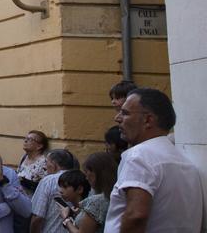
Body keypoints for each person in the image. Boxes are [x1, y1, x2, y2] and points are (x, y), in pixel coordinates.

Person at [105, 88, 204, 231]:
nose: (117, 118)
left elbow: (136, 215)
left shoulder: (139, 155)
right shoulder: (183, 161)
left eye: (125, 113)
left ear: (148, 120)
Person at [59, 152, 117, 233]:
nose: (86, 178)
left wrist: (66, 219)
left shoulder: (97, 201)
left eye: (87, 173)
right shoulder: (116, 195)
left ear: (97, 174)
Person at [30, 148, 78, 233]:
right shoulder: (80, 179)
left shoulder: (48, 181)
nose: (44, 167)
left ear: (54, 164)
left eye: (46, 162)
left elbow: (38, 217)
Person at [18, 131, 50, 197]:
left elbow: (44, 187)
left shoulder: (43, 163)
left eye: (30, 139)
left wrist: (24, 182)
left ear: (39, 146)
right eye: (26, 138)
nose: (26, 141)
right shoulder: (24, 157)